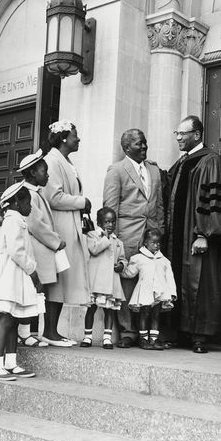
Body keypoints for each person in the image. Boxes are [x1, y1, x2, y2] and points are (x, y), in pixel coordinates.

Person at [167, 115, 221, 353]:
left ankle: (199, 336)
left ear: (196, 135)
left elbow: (212, 200)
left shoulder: (210, 161)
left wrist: (203, 234)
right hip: (178, 236)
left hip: (196, 235)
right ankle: (181, 333)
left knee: (199, 283)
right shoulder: (181, 163)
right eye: (176, 133)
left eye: (182, 133)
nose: (178, 137)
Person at [103, 128, 164, 348]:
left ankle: (148, 332)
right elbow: (110, 208)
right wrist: (112, 241)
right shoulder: (116, 170)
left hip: (151, 236)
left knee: (151, 283)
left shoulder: (154, 171)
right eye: (139, 144)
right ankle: (128, 332)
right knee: (127, 285)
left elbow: (158, 205)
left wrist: (160, 231)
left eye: (145, 143)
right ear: (127, 147)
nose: (144, 147)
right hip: (127, 236)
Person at [0, 181, 43, 380]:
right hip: (11, 274)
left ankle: (10, 363)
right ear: (16, 202)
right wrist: (33, 271)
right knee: (7, 320)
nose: (30, 207)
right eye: (28, 202)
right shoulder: (13, 220)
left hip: (16, 274)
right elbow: (16, 251)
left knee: (14, 321)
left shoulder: (16, 219)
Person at [42, 120, 91, 347]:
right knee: (58, 278)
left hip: (70, 224)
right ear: (63, 138)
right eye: (74, 135)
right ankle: (49, 330)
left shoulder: (66, 161)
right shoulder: (52, 161)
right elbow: (54, 197)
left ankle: (54, 330)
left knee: (64, 277)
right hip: (60, 226)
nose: (78, 139)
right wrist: (83, 202)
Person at [17, 149, 66, 347]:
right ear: (32, 173)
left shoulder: (37, 193)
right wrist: (56, 241)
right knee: (34, 291)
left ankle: (34, 332)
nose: (47, 175)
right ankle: (27, 332)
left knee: (40, 292)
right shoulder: (28, 194)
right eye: (44, 171)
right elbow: (36, 224)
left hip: (42, 251)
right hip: (37, 250)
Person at [80, 207, 127, 350]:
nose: (110, 225)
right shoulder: (93, 235)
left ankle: (107, 337)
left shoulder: (118, 241)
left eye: (113, 222)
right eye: (107, 221)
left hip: (111, 283)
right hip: (97, 281)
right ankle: (87, 336)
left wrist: (121, 265)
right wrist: (105, 238)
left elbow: (122, 258)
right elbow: (94, 249)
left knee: (109, 310)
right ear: (99, 222)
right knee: (92, 308)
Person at [121, 229, 176, 350]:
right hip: (145, 292)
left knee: (156, 315)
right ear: (145, 242)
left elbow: (170, 278)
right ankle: (143, 339)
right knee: (144, 314)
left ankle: (154, 339)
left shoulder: (164, 261)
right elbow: (130, 273)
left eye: (158, 243)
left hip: (159, 293)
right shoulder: (139, 258)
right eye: (153, 242)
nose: (156, 245)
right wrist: (120, 269)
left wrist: (172, 293)